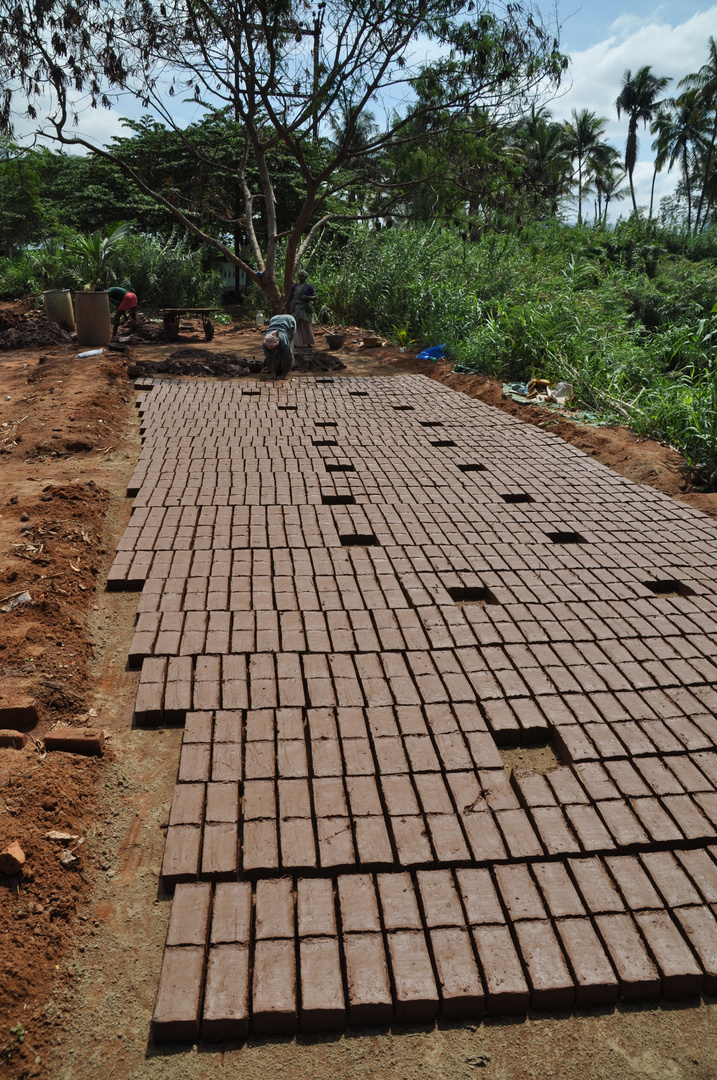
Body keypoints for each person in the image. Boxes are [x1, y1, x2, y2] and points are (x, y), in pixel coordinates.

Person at [262, 314, 296, 378]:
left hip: (289, 321)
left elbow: (289, 358)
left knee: (290, 347)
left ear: (278, 343)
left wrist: (284, 375)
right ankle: (277, 368)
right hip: (274, 319)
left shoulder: (284, 341)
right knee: (275, 355)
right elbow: (269, 359)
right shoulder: (265, 343)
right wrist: (272, 373)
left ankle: (290, 367)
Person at [289, 269, 316, 347]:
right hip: (296, 307)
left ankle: (308, 342)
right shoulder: (294, 286)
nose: (300, 277)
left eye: (302, 276)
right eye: (299, 276)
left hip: (305, 308)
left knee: (306, 324)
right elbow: (290, 296)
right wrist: (284, 305)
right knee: (296, 324)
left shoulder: (309, 287)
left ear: (305, 277)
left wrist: (307, 297)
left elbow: (315, 297)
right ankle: (297, 342)